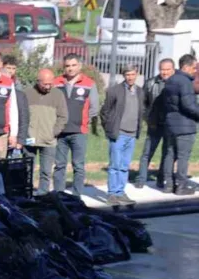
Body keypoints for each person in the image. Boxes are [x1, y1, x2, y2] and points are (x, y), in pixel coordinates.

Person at [53, 54, 99, 196]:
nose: (70, 69)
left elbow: (94, 108)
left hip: (79, 132)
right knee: (59, 165)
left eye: (73, 65)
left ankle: (76, 196)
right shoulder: (56, 83)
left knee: (78, 166)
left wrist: (84, 121)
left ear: (79, 66)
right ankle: (59, 196)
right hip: (60, 132)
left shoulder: (89, 83)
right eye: (67, 66)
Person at [99, 65, 144, 205]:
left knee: (124, 166)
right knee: (115, 165)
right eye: (127, 75)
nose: (130, 77)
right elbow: (104, 111)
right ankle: (112, 193)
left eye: (132, 74)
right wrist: (110, 128)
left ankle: (120, 192)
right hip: (119, 134)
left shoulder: (140, 92)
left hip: (132, 134)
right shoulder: (114, 91)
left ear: (137, 74)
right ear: (124, 75)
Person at [160, 53, 199, 195]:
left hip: (170, 124)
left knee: (170, 154)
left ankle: (168, 185)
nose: (195, 70)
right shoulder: (185, 82)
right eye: (194, 67)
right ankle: (181, 186)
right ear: (186, 67)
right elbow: (188, 105)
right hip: (185, 125)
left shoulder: (170, 80)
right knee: (183, 156)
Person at [25, 69, 69, 195]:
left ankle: (43, 193)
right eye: (45, 84)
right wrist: (25, 132)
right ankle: (27, 193)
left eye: (51, 83)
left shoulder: (58, 95)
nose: (48, 87)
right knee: (28, 169)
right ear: (38, 81)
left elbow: (63, 116)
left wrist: (54, 132)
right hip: (29, 139)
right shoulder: (27, 93)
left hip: (48, 140)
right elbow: (21, 114)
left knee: (46, 171)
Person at [136, 58, 176, 189]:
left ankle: (161, 178)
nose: (164, 72)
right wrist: (148, 119)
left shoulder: (177, 83)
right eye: (162, 69)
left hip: (170, 125)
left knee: (167, 153)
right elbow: (142, 104)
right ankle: (141, 179)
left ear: (173, 70)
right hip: (154, 124)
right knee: (147, 152)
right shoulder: (150, 83)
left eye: (167, 70)